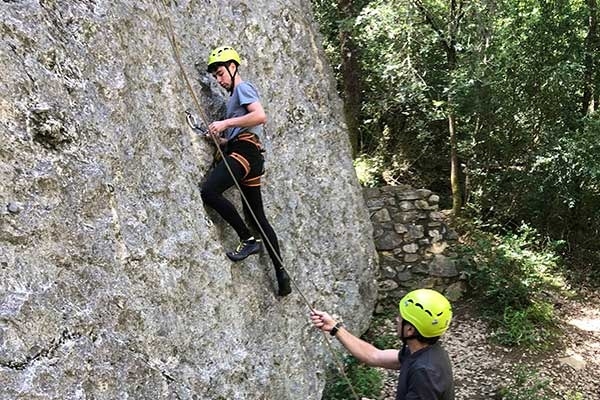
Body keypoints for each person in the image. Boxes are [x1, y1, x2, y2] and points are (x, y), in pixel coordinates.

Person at [200, 45, 291, 297]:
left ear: (233, 67)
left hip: (245, 153)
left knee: (209, 191)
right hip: (249, 154)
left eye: (220, 73)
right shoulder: (234, 98)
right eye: (216, 76)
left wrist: (226, 123)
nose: (219, 80)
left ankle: (248, 240)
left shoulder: (242, 88)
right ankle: (281, 274)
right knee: (258, 217)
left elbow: (260, 116)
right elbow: (244, 128)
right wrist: (223, 140)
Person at [311, 288, 454, 399]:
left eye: (401, 317)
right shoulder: (424, 352)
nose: (397, 320)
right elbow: (374, 356)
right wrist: (335, 328)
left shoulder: (424, 373)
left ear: (410, 330)